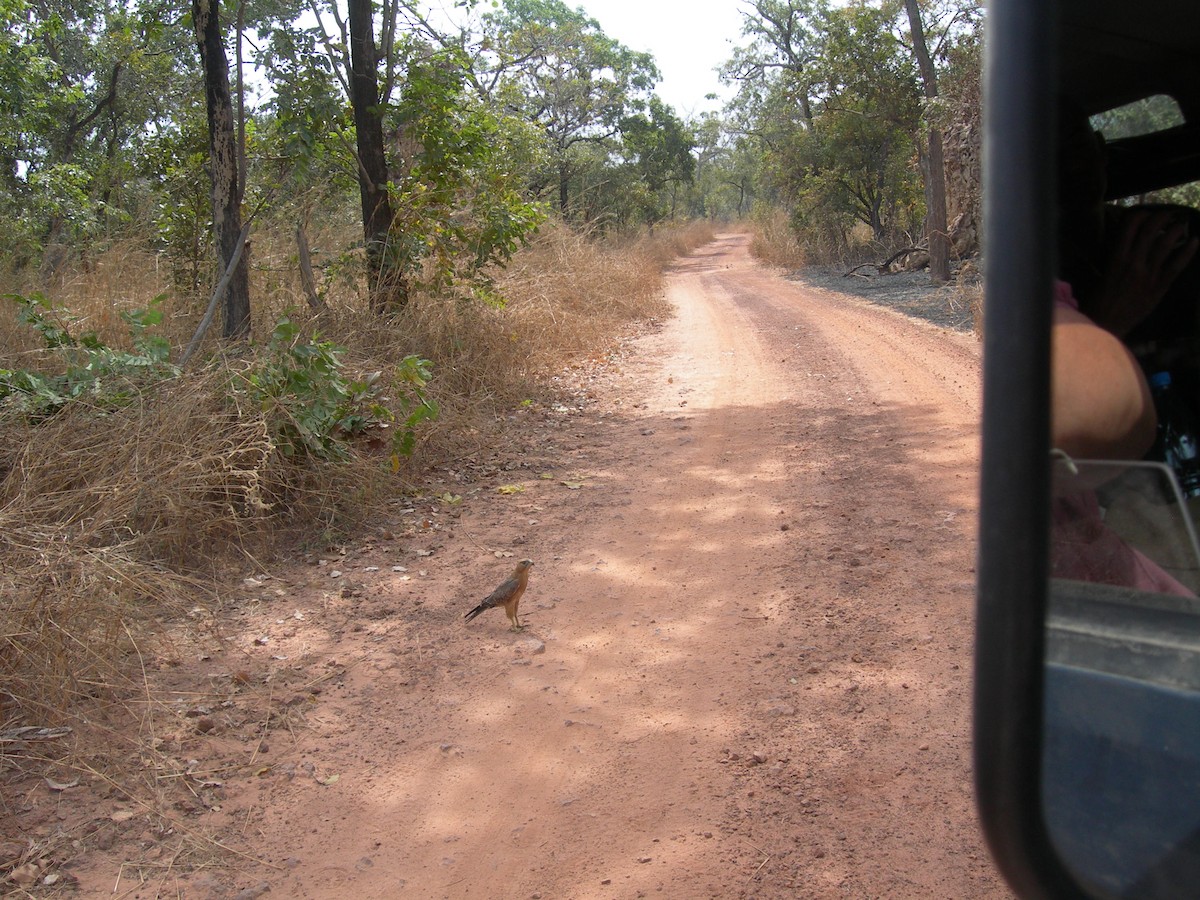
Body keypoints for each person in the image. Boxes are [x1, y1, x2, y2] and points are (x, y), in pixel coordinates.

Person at [1050, 104, 1200, 595]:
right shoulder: (1037, 274)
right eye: (1048, 153)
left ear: (1100, 152)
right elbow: (1095, 419)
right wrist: (1113, 317)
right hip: (1122, 501)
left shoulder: (1170, 237)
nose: (1067, 167)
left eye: (1074, 146)